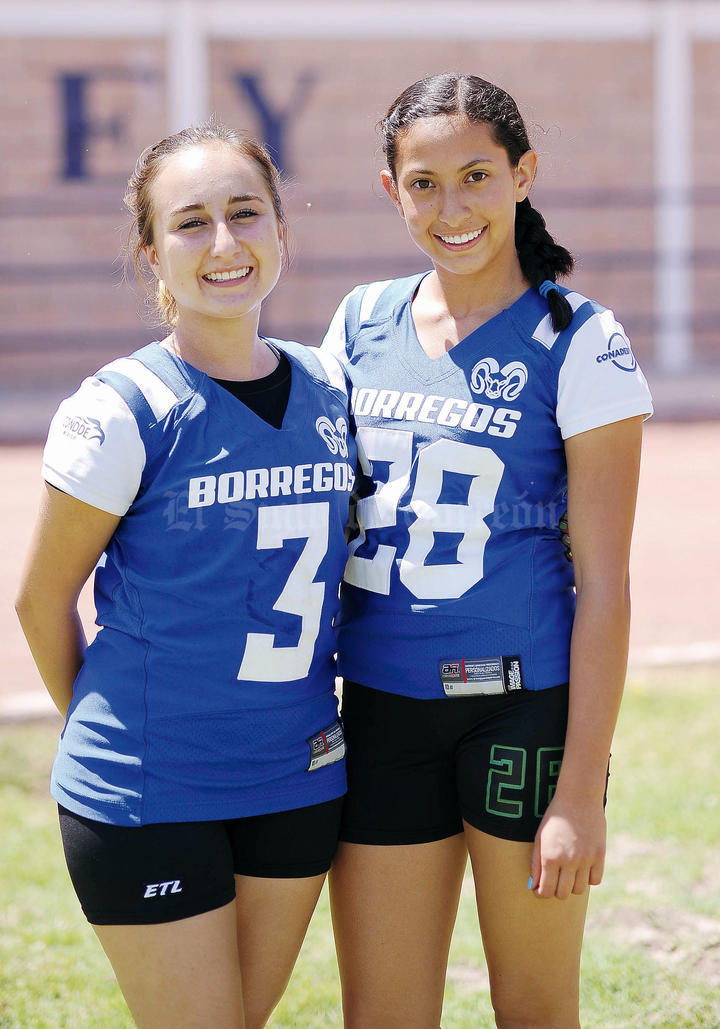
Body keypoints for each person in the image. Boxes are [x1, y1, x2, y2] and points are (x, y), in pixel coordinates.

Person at [322, 73, 653, 1029]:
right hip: (381, 709)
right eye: (423, 183)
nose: (452, 206)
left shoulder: (579, 339)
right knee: (382, 1012)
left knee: (536, 1006)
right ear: (393, 191)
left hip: (523, 712)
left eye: (475, 175)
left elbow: (607, 584)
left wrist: (581, 790)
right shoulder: (360, 320)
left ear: (522, 175)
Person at [15, 121, 356, 1029]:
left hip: (298, 779)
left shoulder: (333, 388)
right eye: (191, 223)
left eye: (246, 214)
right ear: (151, 255)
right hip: (150, 787)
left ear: (282, 227)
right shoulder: (120, 408)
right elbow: (41, 599)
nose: (225, 244)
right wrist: (120, 733)